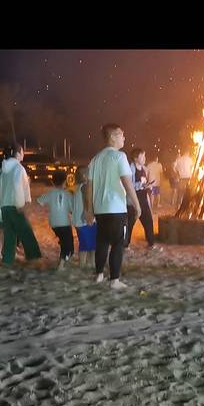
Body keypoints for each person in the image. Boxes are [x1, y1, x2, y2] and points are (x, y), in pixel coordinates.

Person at [84, 124, 141, 290]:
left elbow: (89, 187)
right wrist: (137, 205)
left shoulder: (95, 159)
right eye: (121, 134)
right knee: (118, 243)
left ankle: (99, 274)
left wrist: (89, 210)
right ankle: (114, 279)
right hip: (116, 208)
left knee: (102, 242)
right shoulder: (119, 156)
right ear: (112, 137)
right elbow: (127, 183)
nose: (124, 137)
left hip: (100, 209)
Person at [0, 144, 42, 266]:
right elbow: (19, 186)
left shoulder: (4, 170)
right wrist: (23, 203)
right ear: (18, 153)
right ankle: (34, 258)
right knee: (26, 232)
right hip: (15, 205)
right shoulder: (19, 168)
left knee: (10, 234)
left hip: (4, 205)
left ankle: (7, 260)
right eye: (22, 151)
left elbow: (0, 188)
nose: (23, 154)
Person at [36, 170, 75, 269]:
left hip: (53, 223)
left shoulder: (50, 193)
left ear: (52, 182)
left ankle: (64, 260)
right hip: (65, 223)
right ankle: (61, 265)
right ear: (65, 181)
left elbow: (39, 201)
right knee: (69, 245)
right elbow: (72, 210)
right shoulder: (68, 194)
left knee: (63, 241)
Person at [126, 148, 158, 250]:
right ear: (135, 158)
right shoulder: (130, 169)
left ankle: (151, 243)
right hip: (133, 200)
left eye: (144, 156)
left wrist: (148, 186)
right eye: (142, 156)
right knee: (130, 223)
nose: (144, 158)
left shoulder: (144, 169)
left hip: (143, 199)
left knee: (148, 221)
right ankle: (125, 245)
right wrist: (141, 185)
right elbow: (129, 185)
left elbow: (144, 182)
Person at [72, 166, 97, 269]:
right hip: (85, 221)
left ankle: (86, 264)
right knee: (89, 245)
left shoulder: (77, 187)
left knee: (86, 243)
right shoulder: (85, 186)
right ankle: (87, 264)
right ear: (84, 175)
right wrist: (88, 213)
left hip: (78, 220)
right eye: (89, 173)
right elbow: (87, 200)